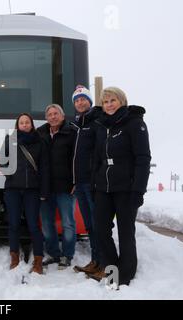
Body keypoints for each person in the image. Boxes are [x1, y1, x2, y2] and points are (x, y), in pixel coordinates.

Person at [88, 87, 151, 287]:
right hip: (103, 188)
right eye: (105, 102)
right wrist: (94, 184)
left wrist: (138, 190)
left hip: (126, 187)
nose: (108, 105)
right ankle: (112, 267)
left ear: (122, 101)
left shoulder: (134, 123)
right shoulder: (100, 125)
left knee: (125, 231)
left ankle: (125, 274)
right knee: (100, 229)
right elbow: (97, 158)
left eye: (112, 100)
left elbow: (143, 158)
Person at [0, 113, 50, 274]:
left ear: (32, 125)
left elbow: (45, 169)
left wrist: (43, 191)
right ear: (17, 125)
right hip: (13, 190)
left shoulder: (40, 141)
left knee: (34, 225)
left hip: (32, 191)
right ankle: (14, 256)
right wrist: (11, 176)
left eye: (27, 122)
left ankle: (38, 259)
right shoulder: (9, 141)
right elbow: (1, 162)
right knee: (13, 224)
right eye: (22, 122)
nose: (25, 124)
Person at [37, 104, 76, 270]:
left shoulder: (71, 132)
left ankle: (67, 255)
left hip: (66, 187)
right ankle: (54, 254)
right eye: (50, 114)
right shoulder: (40, 134)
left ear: (62, 115)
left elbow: (77, 159)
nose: (53, 117)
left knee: (68, 223)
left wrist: (76, 181)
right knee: (46, 223)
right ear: (46, 118)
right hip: (45, 187)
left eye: (56, 114)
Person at [69, 86, 103, 275]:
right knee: (89, 224)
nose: (80, 102)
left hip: (92, 183)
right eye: (76, 100)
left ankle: (104, 263)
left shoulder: (96, 122)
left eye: (83, 99)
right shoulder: (77, 125)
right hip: (79, 183)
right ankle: (95, 260)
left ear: (89, 101)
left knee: (98, 224)